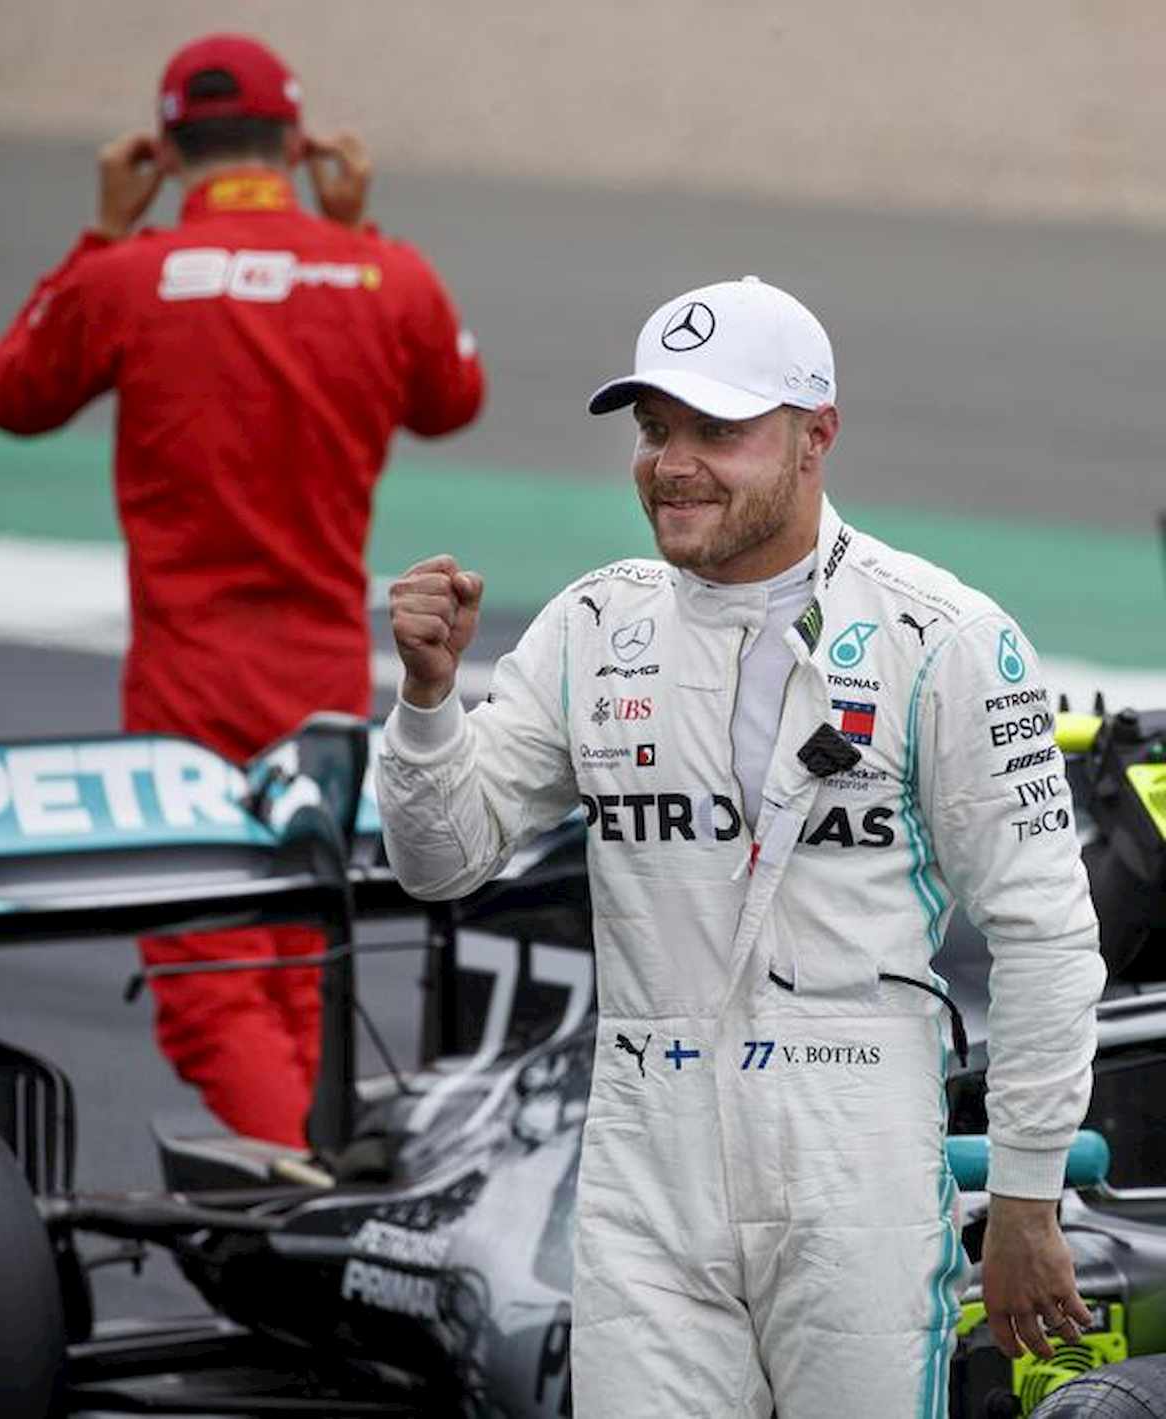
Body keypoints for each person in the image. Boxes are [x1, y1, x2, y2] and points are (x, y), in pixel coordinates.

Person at [375, 277, 1105, 1417]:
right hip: (645, 1156)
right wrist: (428, 706)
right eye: (654, 428)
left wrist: (1026, 1196)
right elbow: (440, 861)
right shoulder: (591, 626)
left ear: (817, 436)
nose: (673, 464)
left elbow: (1047, 932)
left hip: (856, 1148)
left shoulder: (945, 639)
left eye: (717, 431)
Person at [0, 32, 485, 1149]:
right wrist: (353, 234)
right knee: (302, 954)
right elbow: (453, 399)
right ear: (298, 145)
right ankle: (328, 1175)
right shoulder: (384, 277)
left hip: (188, 683)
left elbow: (12, 398)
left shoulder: (124, 275)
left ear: (163, 152)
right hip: (323, 678)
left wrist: (103, 229)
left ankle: (316, 1193)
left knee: (211, 983)